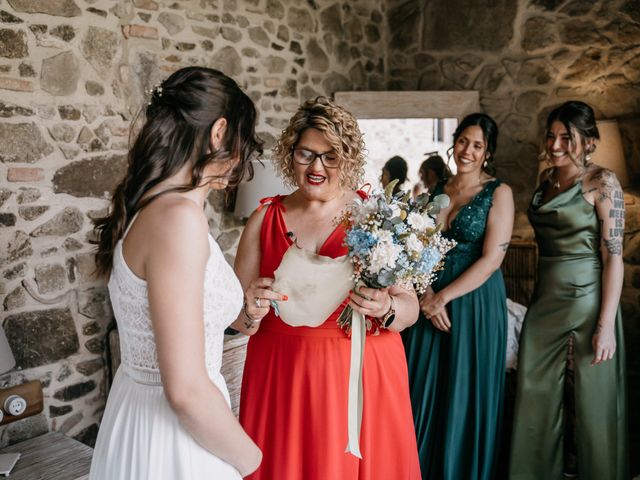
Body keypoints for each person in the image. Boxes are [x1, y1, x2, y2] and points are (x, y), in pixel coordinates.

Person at [234, 97, 422, 480]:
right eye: (306, 154)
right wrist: (250, 309)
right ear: (291, 155)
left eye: (330, 156)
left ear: (348, 159)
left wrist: (386, 307)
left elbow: (410, 308)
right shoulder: (262, 219)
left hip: (362, 373)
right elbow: (239, 318)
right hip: (283, 376)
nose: (317, 167)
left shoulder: (378, 218)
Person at [90, 67, 263, 479]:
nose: (241, 158)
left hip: (138, 416)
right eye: (241, 141)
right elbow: (185, 390)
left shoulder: (149, 206)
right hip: (175, 436)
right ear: (219, 133)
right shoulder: (178, 219)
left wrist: (246, 309)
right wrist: (251, 460)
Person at [509, 101, 628, 479]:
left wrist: (606, 324)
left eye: (567, 137)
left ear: (589, 141)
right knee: (534, 394)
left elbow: (614, 257)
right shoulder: (545, 179)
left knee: (596, 402)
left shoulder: (603, 182)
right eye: (551, 135)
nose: (555, 144)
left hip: (590, 302)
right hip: (544, 303)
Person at [402, 113, 514, 479]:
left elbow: (493, 259)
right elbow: (416, 249)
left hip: (473, 301)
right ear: (454, 143)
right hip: (427, 298)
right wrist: (426, 294)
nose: (467, 150)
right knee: (420, 388)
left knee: (466, 394)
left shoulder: (499, 192)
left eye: (477, 145)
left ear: (488, 153)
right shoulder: (436, 191)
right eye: (463, 141)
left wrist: (443, 297)